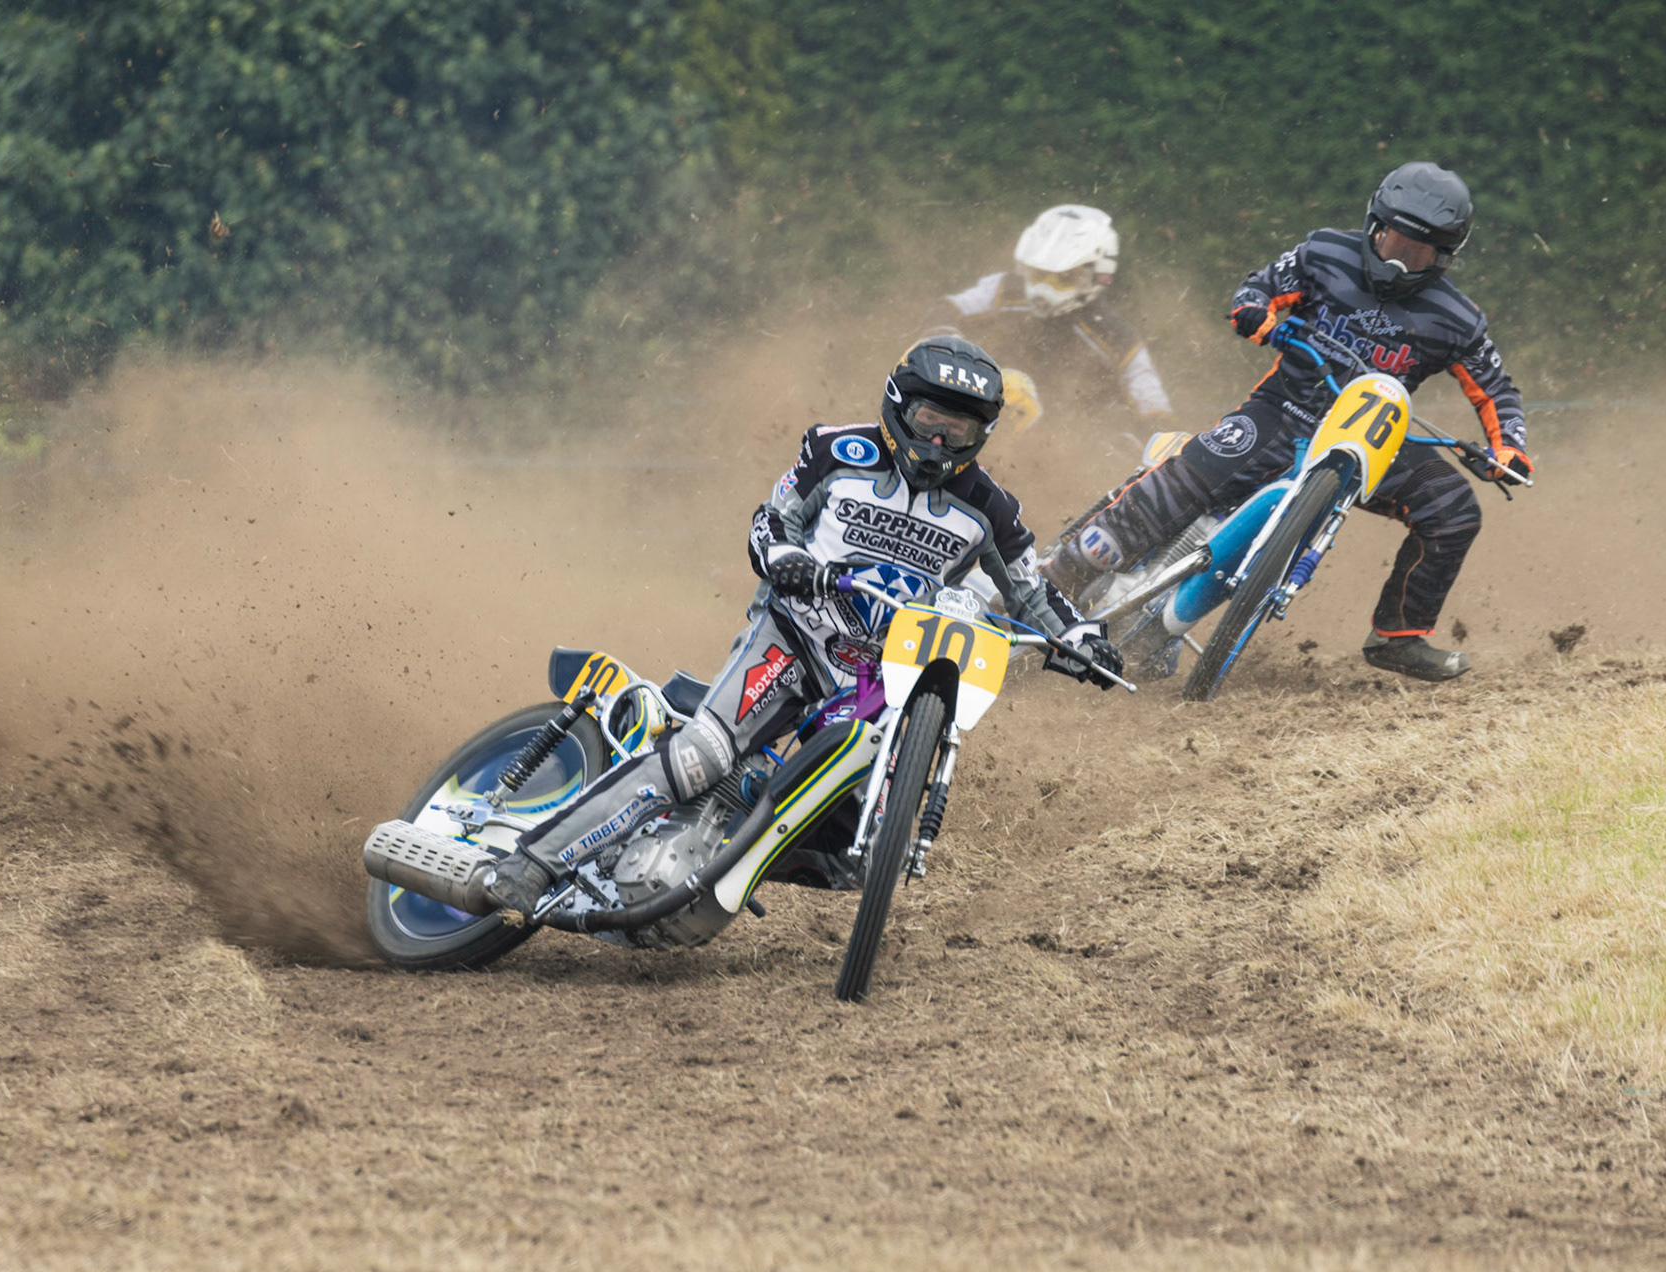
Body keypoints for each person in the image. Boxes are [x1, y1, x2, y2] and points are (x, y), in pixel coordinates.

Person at [482, 337, 1125, 913]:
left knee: (857, 847)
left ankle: (721, 854)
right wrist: (787, 559)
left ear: (979, 434)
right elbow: (772, 521)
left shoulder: (992, 508)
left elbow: (1032, 590)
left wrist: (1082, 637)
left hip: (880, 676)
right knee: (701, 757)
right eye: (929, 421)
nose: (937, 442)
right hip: (792, 635)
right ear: (899, 407)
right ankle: (530, 863)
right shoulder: (833, 449)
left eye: (956, 431)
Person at [1042, 162, 1531, 682]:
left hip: (1371, 439)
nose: (1402, 261)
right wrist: (1255, 311)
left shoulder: (1459, 319)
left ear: (1445, 257)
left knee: (1455, 512)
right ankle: (1063, 572)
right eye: (1394, 242)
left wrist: (1510, 449)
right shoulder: (1324, 252)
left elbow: (1496, 389)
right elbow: (1259, 289)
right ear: (1374, 226)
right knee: (1182, 481)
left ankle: (1398, 637)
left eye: (1421, 253)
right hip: (1282, 411)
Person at [926, 204, 1176, 437]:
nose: (1044, 288)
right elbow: (946, 311)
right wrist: (955, 355)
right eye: (1039, 274)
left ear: (1099, 275)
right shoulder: (1005, 288)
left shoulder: (1116, 335)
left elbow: (1154, 407)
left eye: (1064, 277)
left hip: (1063, 443)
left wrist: (1152, 438)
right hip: (973, 414)